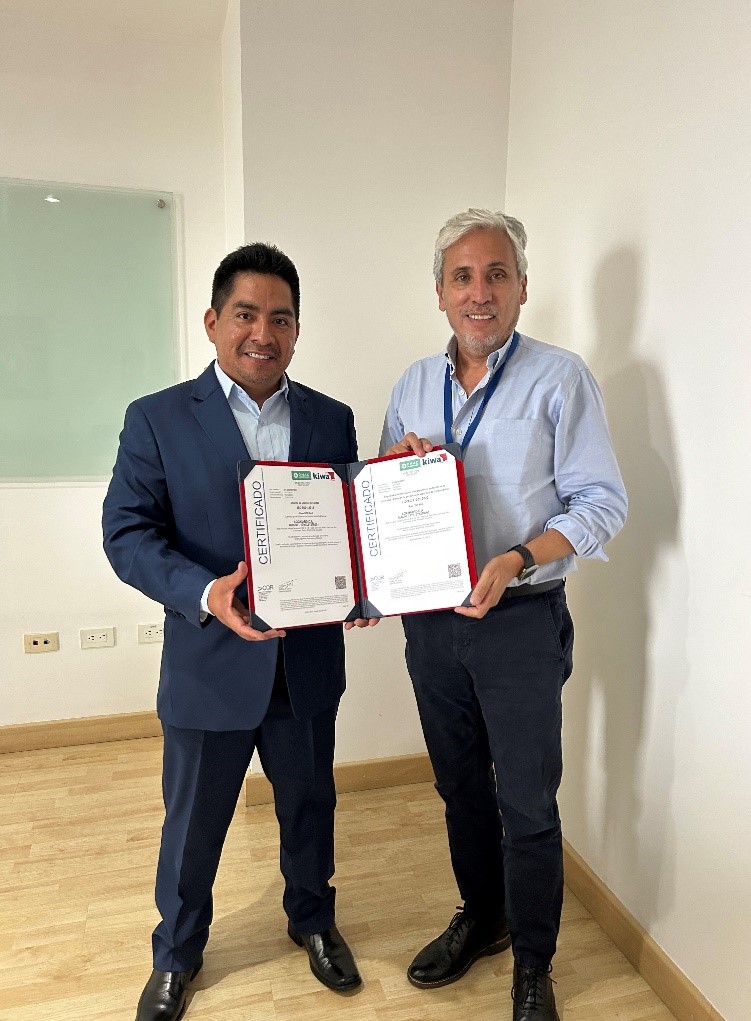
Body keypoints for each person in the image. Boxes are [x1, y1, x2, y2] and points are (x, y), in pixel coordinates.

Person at [103, 243, 362, 1021]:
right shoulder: (156, 417)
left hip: (304, 663)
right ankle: (177, 952)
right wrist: (203, 592)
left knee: (310, 805)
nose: (263, 333)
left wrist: (366, 582)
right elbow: (127, 533)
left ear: (297, 330)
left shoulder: (331, 418)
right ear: (213, 321)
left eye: (281, 319)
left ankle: (312, 918)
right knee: (192, 825)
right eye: (246, 314)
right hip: (208, 663)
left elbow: (350, 527)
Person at [380, 209, 627, 1021]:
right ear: (440, 293)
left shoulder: (561, 378)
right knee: (459, 786)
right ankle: (482, 915)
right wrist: (396, 469)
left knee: (526, 801)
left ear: (523, 287)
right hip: (432, 624)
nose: (479, 292)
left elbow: (602, 503)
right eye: (463, 276)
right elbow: (381, 494)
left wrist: (518, 556)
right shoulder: (412, 385)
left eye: (496, 275)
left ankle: (533, 961)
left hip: (520, 620)